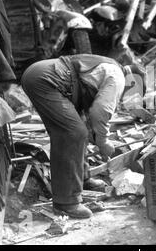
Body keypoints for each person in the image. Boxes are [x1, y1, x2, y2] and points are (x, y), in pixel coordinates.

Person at [21, 54, 145, 218]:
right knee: (74, 133)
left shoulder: (110, 68)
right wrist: (103, 141)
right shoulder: (118, 77)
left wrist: (96, 135)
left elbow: (90, 116)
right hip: (46, 79)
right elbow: (100, 111)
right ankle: (66, 203)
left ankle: (83, 180)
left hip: (45, 76)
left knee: (78, 130)